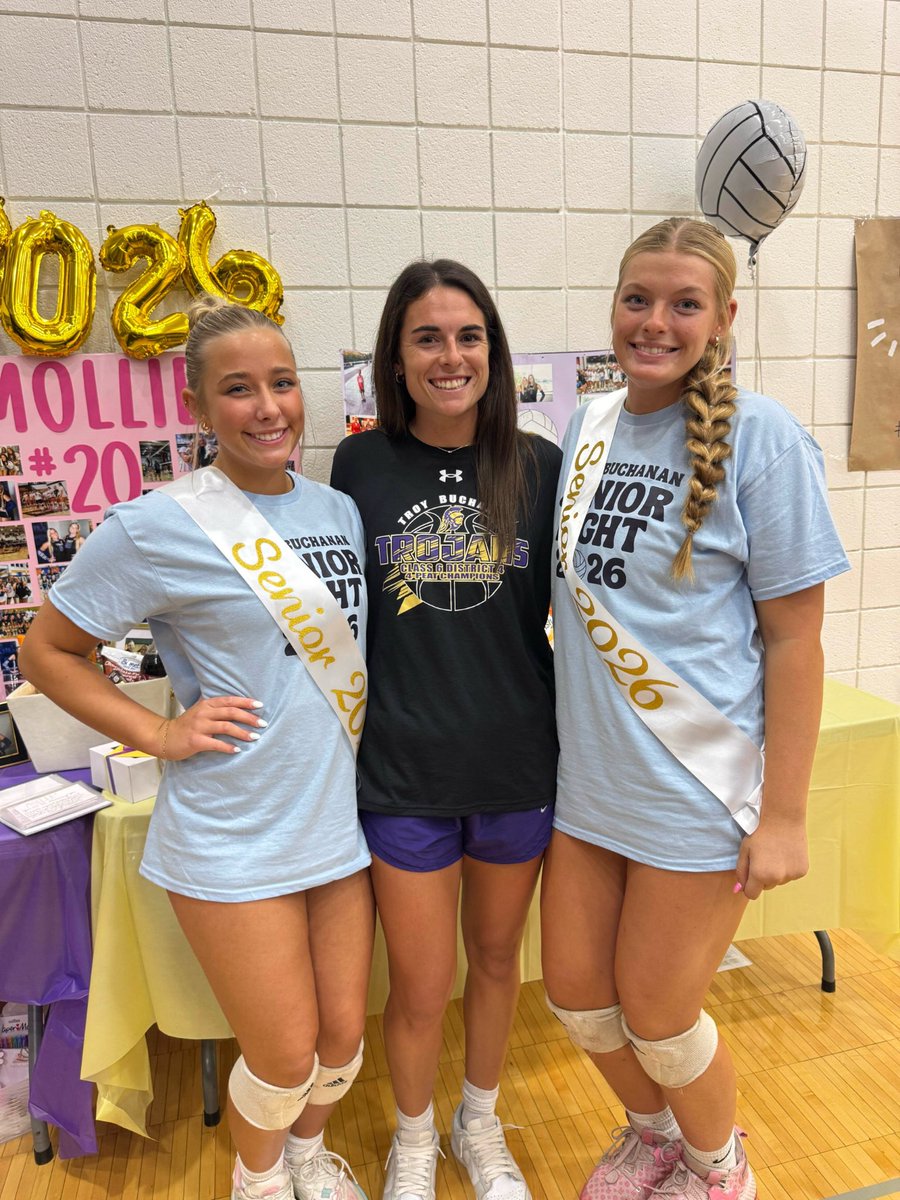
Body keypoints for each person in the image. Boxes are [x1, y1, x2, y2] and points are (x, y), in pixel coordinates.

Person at [20, 297, 374, 1200]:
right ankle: (259, 1179)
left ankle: (306, 1157)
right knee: (284, 1054)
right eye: (239, 389)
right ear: (198, 406)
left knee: (341, 1040)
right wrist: (158, 732)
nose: (269, 407)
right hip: (232, 831)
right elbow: (47, 651)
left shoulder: (338, 508)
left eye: (282, 383)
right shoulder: (158, 523)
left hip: (335, 824)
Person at [541, 218, 850, 1200]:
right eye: (638, 299)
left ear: (724, 317)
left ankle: (721, 1168)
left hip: (696, 786)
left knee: (662, 1016)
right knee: (578, 998)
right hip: (591, 784)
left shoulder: (764, 439)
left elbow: (796, 642)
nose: (655, 322)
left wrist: (785, 816)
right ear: (613, 306)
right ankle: (656, 1138)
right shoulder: (586, 427)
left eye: (684, 304)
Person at [331, 260, 562, 1200]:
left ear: (493, 352)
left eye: (469, 336)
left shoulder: (539, 466)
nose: (450, 356)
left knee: (499, 962)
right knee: (421, 986)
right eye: (427, 337)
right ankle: (414, 1138)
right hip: (404, 772)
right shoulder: (359, 466)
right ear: (395, 357)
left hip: (516, 763)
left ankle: (480, 1122)